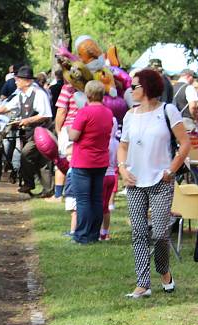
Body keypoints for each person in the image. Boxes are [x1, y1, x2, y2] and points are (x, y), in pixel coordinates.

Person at [117, 68, 190, 298]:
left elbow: (185, 143)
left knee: (160, 234)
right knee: (138, 232)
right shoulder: (129, 115)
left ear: (146, 87)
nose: (131, 91)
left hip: (161, 180)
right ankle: (143, 284)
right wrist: (122, 168)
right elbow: (123, 146)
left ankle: (164, 271)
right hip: (134, 181)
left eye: (134, 87)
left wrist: (171, 169)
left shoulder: (167, 111)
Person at [0, 65, 54, 196]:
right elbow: (7, 107)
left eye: (19, 79)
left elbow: (46, 115)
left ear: (28, 81)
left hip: (41, 132)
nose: (16, 82)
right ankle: (48, 190)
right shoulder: (21, 95)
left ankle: (29, 183)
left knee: (26, 154)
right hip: (30, 133)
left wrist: (26, 121)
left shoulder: (38, 94)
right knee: (42, 161)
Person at [67, 80, 114, 244]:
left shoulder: (84, 112)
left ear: (87, 94)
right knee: (96, 199)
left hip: (83, 161)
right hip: (101, 161)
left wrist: (68, 129)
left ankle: (82, 235)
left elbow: (74, 135)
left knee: (83, 200)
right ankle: (94, 234)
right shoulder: (108, 113)